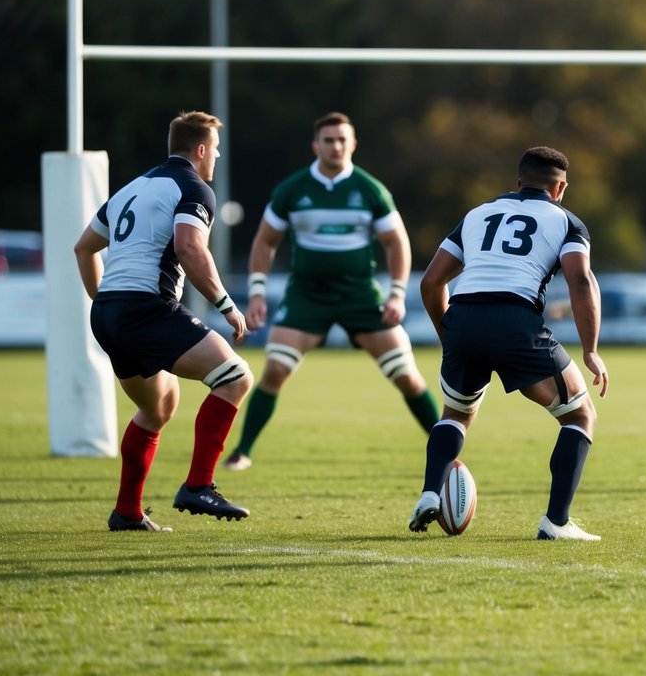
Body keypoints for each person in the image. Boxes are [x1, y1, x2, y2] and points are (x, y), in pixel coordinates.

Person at [408, 146, 608, 541]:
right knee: (580, 416)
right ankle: (556, 523)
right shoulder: (567, 221)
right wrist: (591, 350)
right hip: (516, 321)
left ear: (517, 182)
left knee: (456, 414)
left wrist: (447, 333)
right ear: (561, 188)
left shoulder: (477, 214)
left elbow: (431, 282)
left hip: (463, 316)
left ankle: (430, 492)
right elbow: (580, 280)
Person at [221, 112, 439, 471]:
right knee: (274, 371)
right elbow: (265, 242)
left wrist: (397, 294)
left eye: (342, 139)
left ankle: (445, 449)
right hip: (307, 296)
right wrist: (257, 294)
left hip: (361, 297)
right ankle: (243, 450)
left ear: (353, 144)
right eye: (328, 140)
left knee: (407, 375)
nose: (336, 146)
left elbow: (396, 242)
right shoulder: (292, 189)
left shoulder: (371, 190)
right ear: (315, 145)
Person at [73, 110, 254, 532]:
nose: (217, 160)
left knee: (159, 407)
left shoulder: (131, 188)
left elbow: (83, 249)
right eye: (217, 152)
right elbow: (190, 248)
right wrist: (227, 304)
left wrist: (103, 299)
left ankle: (127, 513)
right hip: (146, 310)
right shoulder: (194, 187)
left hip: (109, 315)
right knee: (235, 377)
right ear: (202, 149)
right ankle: (198, 485)